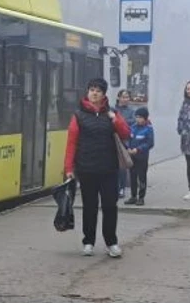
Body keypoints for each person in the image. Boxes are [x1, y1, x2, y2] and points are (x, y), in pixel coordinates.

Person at [64, 77, 131, 258]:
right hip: (86, 169)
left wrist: (114, 119)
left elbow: (126, 133)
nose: (94, 93)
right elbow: (71, 143)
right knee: (89, 207)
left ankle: (111, 243)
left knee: (110, 206)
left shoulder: (112, 113)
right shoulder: (78, 115)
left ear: (103, 95)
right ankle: (88, 242)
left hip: (109, 169)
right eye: (92, 90)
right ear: (87, 93)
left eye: (98, 91)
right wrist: (68, 168)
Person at [124, 107, 154, 206]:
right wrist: (128, 148)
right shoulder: (133, 127)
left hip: (142, 157)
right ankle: (133, 196)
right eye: (136, 117)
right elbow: (128, 138)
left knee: (142, 177)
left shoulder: (148, 129)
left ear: (145, 118)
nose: (138, 119)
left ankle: (141, 197)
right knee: (133, 176)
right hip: (132, 156)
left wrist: (138, 149)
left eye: (140, 117)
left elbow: (150, 143)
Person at [115, 90, 137, 198]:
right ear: (118, 98)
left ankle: (121, 188)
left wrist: (120, 123)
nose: (125, 99)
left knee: (122, 165)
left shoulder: (131, 111)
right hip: (113, 139)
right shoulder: (113, 109)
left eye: (127, 97)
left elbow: (132, 124)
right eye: (123, 97)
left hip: (124, 141)